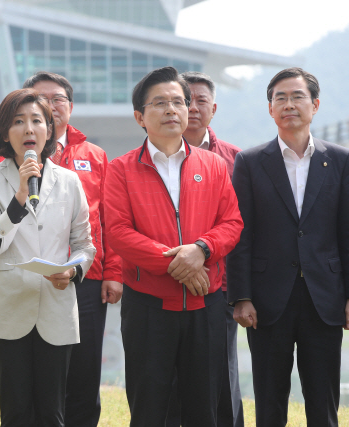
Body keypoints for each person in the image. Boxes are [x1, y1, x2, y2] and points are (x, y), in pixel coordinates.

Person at [103, 66, 243, 427]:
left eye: (179, 102)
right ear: (140, 116)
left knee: (205, 408)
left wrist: (201, 250)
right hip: (148, 306)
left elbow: (232, 223)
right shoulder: (120, 169)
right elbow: (118, 232)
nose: (172, 110)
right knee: (150, 407)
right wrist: (178, 264)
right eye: (160, 103)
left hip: (206, 305)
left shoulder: (213, 165)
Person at [227, 67, 349, 427]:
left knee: (323, 403)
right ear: (269, 109)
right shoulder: (249, 162)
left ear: (315, 105)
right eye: (280, 97)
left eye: (297, 96)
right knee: (269, 402)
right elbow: (240, 233)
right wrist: (241, 295)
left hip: (323, 297)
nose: (289, 104)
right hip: (266, 301)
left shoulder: (341, 160)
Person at [0, 88, 96, 427]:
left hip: (54, 304)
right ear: (4, 133)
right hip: (6, 304)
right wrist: (20, 197)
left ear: (49, 129)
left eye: (37, 121)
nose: (28, 129)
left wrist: (72, 271)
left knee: (52, 412)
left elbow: (85, 246)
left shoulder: (69, 181)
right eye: (18, 122)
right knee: (16, 409)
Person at [21, 71, 123, 427]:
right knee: (38, 376)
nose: (49, 106)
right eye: (40, 99)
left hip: (87, 279)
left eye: (57, 99)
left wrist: (113, 274)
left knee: (83, 374)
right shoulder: (15, 157)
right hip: (33, 278)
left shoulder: (95, 156)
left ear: (70, 106)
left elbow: (110, 219)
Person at [164, 71, 244, 427]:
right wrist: (183, 263)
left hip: (220, 289)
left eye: (200, 101)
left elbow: (238, 224)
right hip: (164, 282)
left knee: (220, 379)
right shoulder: (154, 157)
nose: (192, 108)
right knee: (168, 383)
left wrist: (203, 258)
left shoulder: (236, 160)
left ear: (214, 108)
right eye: (185, 100)